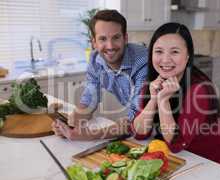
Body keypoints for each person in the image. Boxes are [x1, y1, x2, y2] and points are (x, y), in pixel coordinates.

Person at [131, 23, 220, 169]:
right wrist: (154, 98)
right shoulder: (153, 83)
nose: (165, 59)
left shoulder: (200, 90)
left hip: (213, 162)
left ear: (187, 56)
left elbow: (175, 143)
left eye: (174, 52)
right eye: (159, 51)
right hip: (184, 158)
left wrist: (163, 101)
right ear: (151, 55)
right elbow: (139, 133)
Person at [52, 10, 148, 140]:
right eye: (103, 39)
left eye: (116, 37)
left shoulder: (143, 61)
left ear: (125, 38)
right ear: (94, 42)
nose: (110, 46)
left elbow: (136, 117)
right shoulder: (95, 60)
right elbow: (89, 101)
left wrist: (88, 135)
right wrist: (70, 124)